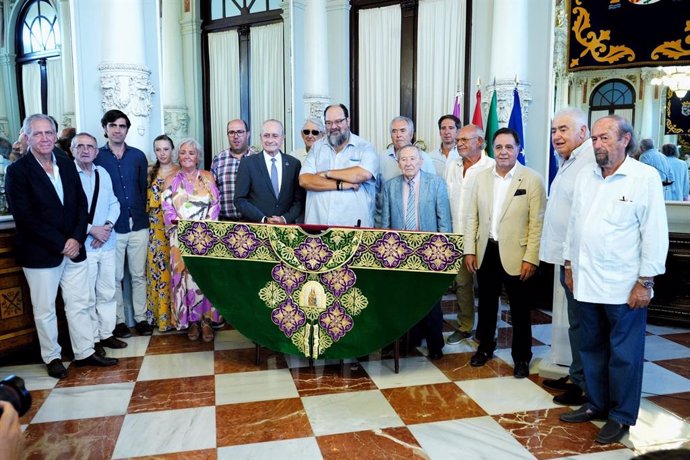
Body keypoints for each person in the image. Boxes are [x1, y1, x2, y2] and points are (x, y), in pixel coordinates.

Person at [560, 115, 668, 445]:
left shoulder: (643, 177)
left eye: (604, 138)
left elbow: (654, 233)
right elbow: (574, 224)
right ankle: (595, 403)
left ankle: (620, 416)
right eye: (593, 139)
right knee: (591, 347)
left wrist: (645, 281)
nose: (597, 144)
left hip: (624, 286)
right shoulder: (585, 177)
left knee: (624, 353)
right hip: (585, 280)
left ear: (625, 139)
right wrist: (568, 265)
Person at [5, 114, 117, 379]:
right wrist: (60, 243)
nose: (44, 138)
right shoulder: (17, 171)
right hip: (40, 253)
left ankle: (85, 351)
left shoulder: (66, 165)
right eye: (38, 133)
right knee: (44, 310)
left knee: (79, 302)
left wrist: (76, 238)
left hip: (75, 248)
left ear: (56, 136)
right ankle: (52, 356)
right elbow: (26, 217)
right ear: (27, 137)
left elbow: (80, 205)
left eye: (48, 133)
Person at [464, 127, 546, 379]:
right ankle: (485, 348)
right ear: (491, 149)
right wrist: (470, 250)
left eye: (509, 147)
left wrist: (530, 257)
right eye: (498, 147)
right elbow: (472, 217)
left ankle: (521, 358)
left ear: (518, 149)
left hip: (518, 254)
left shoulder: (532, 179)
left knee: (520, 310)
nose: (503, 152)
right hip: (486, 249)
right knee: (487, 304)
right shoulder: (481, 178)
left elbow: (537, 222)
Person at [539, 108, 595, 405]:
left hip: (580, 262)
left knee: (584, 325)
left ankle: (586, 386)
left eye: (563, 129)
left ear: (583, 132)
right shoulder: (569, 160)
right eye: (554, 130)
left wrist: (572, 262)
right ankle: (577, 375)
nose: (557, 136)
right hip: (565, 257)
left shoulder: (589, 163)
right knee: (575, 323)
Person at [381, 144, 451, 359]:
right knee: (400, 300)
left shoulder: (436, 183)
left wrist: (444, 252)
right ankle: (405, 342)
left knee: (430, 301)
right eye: (404, 159)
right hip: (399, 252)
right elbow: (385, 223)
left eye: (413, 159)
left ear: (420, 161)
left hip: (430, 251)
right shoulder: (390, 186)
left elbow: (444, 221)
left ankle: (435, 345)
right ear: (398, 163)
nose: (408, 163)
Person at [94, 109, 153, 338]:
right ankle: (117, 321)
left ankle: (140, 318)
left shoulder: (137, 156)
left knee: (138, 275)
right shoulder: (98, 156)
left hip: (138, 223)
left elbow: (142, 188)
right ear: (106, 129)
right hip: (112, 227)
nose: (118, 130)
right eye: (113, 126)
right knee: (114, 276)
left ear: (127, 129)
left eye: (122, 126)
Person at [162, 138, 222, 342]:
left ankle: (206, 322)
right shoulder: (171, 179)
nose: (187, 156)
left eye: (191, 153)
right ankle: (191, 322)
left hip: (205, 237)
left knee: (204, 278)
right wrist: (183, 228)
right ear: (178, 156)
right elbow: (167, 208)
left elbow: (216, 205)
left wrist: (202, 229)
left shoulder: (207, 176)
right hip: (179, 238)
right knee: (184, 280)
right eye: (183, 152)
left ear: (198, 156)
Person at [74, 132, 127, 357]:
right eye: (80, 146)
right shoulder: (68, 175)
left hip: (106, 242)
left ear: (96, 151)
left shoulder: (102, 173)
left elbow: (114, 203)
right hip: (85, 246)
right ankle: (93, 340)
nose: (86, 150)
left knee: (107, 291)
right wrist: (90, 229)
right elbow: (68, 211)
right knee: (87, 296)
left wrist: (106, 227)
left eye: (90, 146)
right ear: (72, 150)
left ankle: (107, 334)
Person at [444, 124, 495, 345]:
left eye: (465, 140)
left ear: (480, 142)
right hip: (456, 236)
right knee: (462, 285)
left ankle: (488, 331)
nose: (459, 143)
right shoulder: (452, 164)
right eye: (458, 140)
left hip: (484, 239)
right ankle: (465, 326)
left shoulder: (492, 166)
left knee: (487, 286)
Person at [299, 104, 379, 227]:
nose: (333, 127)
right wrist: (341, 185)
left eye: (338, 121)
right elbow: (305, 180)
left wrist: (327, 173)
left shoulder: (365, 147)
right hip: (318, 227)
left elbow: (362, 174)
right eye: (328, 123)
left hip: (354, 229)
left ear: (348, 121)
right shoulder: (316, 147)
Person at [235, 119, 305, 223]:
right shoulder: (248, 163)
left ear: (283, 138)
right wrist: (263, 219)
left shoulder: (294, 164)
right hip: (257, 229)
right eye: (266, 135)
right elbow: (239, 200)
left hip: (286, 230)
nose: (270, 140)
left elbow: (299, 201)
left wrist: (285, 219)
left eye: (275, 136)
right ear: (260, 138)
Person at [146, 135, 180, 331]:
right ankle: (160, 319)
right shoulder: (150, 171)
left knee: (174, 272)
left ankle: (176, 317)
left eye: (166, 149)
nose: (162, 153)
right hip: (155, 231)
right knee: (158, 272)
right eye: (158, 149)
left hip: (173, 229)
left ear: (172, 150)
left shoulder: (178, 172)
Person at [376, 116, 436, 226]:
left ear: (411, 134)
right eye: (394, 131)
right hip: (388, 221)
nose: (398, 135)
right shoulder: (381, 158)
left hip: (419, 223)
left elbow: (433, 191)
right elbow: (376, 191)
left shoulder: (424, 158)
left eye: (403, 131)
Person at [211, 119, 252, 221]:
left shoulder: (257, 158)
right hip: (225, 223)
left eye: (240, 132)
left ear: (248, 134)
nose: (235, 136)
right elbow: (211, 193)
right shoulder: (218, 160)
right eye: (231, 132)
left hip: (253, 222)